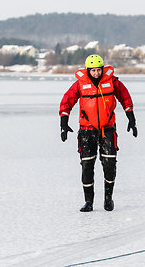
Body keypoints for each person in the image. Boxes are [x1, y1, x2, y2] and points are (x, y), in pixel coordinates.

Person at [59, 54, 138, 212]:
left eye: (99, 70)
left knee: (109, 164)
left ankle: (108, 199)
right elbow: (67, 100)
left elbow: (125, 97)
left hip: (107, 129)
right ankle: (89, 202)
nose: (96, 73)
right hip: (87, 130)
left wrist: (131, 118)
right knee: (87, 165)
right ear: (88, 70)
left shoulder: (112, 81)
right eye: (93, 70)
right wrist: (64, 123)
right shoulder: (80, 84)